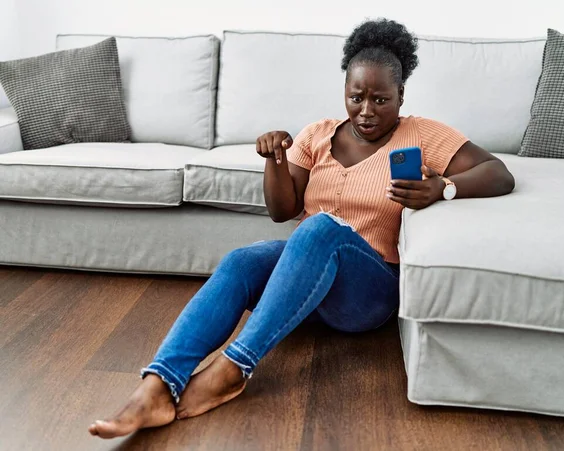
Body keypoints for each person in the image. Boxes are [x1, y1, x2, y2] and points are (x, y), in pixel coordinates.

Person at [88, 18, 515, 439]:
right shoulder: (317, 135)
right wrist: (274, 159)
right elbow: (282, 210)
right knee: (241, 260)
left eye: (381, 100)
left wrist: (442, 187)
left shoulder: (422, 134)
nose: (366, 111)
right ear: (344, 92)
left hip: (369, 293)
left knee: (320, 230)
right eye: (356, 97)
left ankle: (234, 367)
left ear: (401, 95)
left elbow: (498, 173)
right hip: (305, 283)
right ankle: (156, 387)